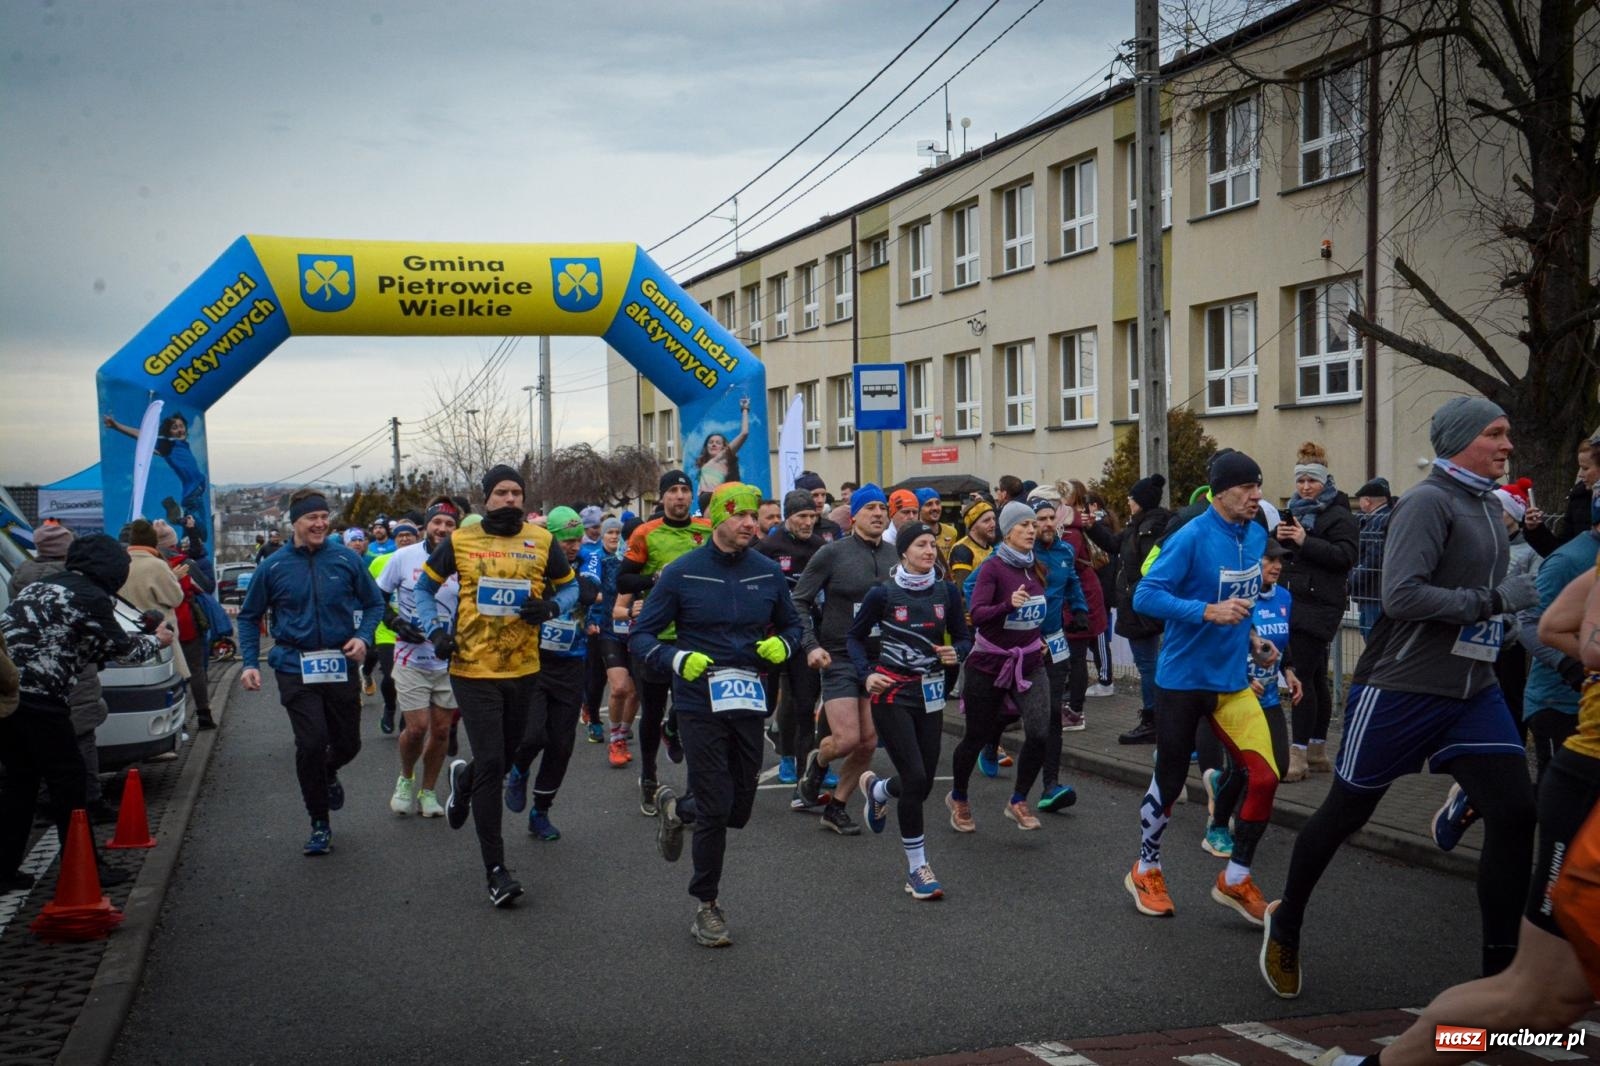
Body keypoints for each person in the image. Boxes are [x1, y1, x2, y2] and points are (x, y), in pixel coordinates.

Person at [1260, 397, 1539, 998]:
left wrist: (1509, 623)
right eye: (1495, 434)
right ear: (1463, 439)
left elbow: (1489, 595)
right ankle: (1286, 922)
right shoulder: (1426, 503)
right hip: (1402, 688)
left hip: (1473, 687)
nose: (1506, 445)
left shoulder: (1488, 506)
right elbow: (1405, 596)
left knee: (1517, 812)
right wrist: (1495, 603)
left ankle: (1500, 981)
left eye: (1507, 433)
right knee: (1345, 814)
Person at [1312, 550, 1600, 1066]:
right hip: (1588, 783)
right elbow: (1572, 633)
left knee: (1553, 1009)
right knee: (1541, 1003)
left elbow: (1554, 623)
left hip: (1539, 750)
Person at [635, 483, 802, 947]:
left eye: (755, 516)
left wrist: (783, 645)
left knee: (738, 805)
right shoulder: (682, 573)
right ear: (716, 518)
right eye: (741, 516)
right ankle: (706, 905)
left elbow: (792, 623)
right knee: (714, 802)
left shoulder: (766, 572)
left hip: (749, 696)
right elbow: (642, 636)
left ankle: (676, 807)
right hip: (698, 698)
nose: (752, 524)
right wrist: (674, 660)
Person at [1127, 450, 1280, 925]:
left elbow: (1245, 598)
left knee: (1265, 776)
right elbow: (1145, 595)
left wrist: (1253, 640)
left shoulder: (1256, 535)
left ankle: (1234, 879)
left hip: (1232, 681)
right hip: (1183, 681)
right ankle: (1145, 868)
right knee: (1171, 783)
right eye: (1246, 488)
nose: (1256, 496)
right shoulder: (1190, 535)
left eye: (1258, 486)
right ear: (1220, 492)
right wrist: (1206, 612)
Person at [415, 465, 575, 907]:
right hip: (471, 668)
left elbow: (571, 589)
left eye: (516, 493)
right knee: (491, 762)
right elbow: (423, 591)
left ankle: (462, 779)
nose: (510, 499)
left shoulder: (542, 541)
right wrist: (435, 631)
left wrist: (550, 606)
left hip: (524, 668)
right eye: (501, 492)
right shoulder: (461, 541)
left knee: (502, 761)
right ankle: (496, 870)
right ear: (487, 498)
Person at [1, 534, 172, 889]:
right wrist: (158, 638)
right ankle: (85, 868)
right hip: (41, 700)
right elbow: (124, 650)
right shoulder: (90, 596)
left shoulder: (42, 586)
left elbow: (79, 644)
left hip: (8, 697)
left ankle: (5, 871)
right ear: (111, 569)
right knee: (70, 783)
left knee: (21, 784)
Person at [237, 489, 384, 857]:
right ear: (295, 523)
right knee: (312, 743)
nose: (320, 524)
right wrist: (250, 663)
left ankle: (329, 772)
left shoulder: (346, 560)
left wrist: (363, 638)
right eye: (311, 518)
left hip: (339, 662)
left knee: (348, 744)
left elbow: (374, 603)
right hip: (293, 664)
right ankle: (319, 822)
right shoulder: (273, 566)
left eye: (324, 517)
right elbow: (249, 616)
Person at [850, 522, 970, 898]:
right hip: (891, 693)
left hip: (931, 693)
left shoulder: (946, 592)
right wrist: (866, 675)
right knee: (916, 777)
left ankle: (879, 789)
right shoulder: (882, 594)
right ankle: (918, 869)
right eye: (921, 545)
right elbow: (853, 638)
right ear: (903, 552)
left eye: (933, 544)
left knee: (923, 780)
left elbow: (964, 636)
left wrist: (958, 652)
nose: (930, 551)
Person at [946, 502, 1058, 832]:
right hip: (990, 663)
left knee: (1039, 732)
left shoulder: (1036, 568)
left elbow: (1036, 612)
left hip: (1029, 663)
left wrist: (1041, 637)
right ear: (1008, 532)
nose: (1030, 530)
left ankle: (1019, 800)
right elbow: (977, 614)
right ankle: (959, 797)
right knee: (977, 736)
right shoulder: (993, 569)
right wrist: (1008, 605)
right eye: (1023, 525)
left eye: (1032, 525)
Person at [793, 485, 898, 834]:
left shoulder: (896, 556)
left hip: (878, 660)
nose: (879, 513)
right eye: (870, 507)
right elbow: (799, 601)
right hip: (837, 656)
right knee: (848, 739)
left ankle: (836, 806)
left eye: (883, 507)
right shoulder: (832, 553)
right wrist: (810, 645)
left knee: (869, 742)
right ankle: (819, 760)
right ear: (853, 515)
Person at [615, 470, 712, 816]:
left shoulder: (707, 531)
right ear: (662, 498)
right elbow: (622, 577)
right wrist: (655, 577)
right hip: (656, 637)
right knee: (651, 710)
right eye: (673, 491)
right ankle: (649, 777)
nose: (680, 497)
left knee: (693, 711)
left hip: (696, 636)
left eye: (685, 490)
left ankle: (686, 769)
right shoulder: (645, 533)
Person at [504, 506, 602, 841]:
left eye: (576, 540)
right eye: (565, 541)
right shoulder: (532, 560)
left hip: (572, 663)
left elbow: (589, 592)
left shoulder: (589, 558)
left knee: (561, 743)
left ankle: (540, 812)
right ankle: (518, 770)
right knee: (533, 735)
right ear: (550, 538)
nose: (572, 546)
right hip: (533, 661)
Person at [8, 523, 117, 823]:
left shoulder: (22, 575)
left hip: (23, 677)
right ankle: (88, 802)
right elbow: (100, 636)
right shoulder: (78, 582)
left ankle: (44, 803)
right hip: (68, 673)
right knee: (79, 739)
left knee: (33, 754)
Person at [1203, 539, 1300, 857]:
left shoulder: (1284, 596)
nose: (1277, 565)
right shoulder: (1237, 600)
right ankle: (1217, 827)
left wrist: (1289, 670)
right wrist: (1244, 679)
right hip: (1236, 696)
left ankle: (1221, 784)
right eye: (1269, 559)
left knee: (1279, 768)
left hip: (1270, 697)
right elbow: (1219, 645)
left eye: (1280, 560)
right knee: (1244, 769)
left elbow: (1282, 641)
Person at [1275, 443, 1358, 781]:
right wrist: (1278, 537)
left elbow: (1346, 556)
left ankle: (1297, 757)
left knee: (1300, 678)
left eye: (1312, 481)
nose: (1306, 487)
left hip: (1320, 606)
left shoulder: (1339, 514)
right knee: (1315, 680)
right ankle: (1317, 751)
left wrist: (1305, 540)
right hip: (1296, 602)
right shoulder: (1293, 511)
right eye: (1301, 481)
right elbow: (1281, 554)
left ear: (1325, 480)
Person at [376, 500, 460, 818]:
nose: (442, 529)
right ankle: (406, 778)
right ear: (426, 526)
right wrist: (395, 622)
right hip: (411, 657)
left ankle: (428, 792)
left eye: (449, 524)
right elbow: (376, 600)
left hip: (448, 662)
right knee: (417, 728)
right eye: (437, 522)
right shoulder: (403, 557)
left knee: (440, 731)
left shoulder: (463, 560)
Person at [1514, 490, 1599, 777]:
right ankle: (1475, 799)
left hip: (1591, 703)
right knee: (1558, 797)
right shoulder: (1568, 560)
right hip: (1558, 703)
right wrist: (1568, 664)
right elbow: (1528, 623)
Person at [1014, 498, 1087, 809]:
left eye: (1048, 518)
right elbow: (975, 589)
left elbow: (1072, 582)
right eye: (1037, 519)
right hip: (1018, 647)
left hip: (1055, 641)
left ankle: (1050, 785)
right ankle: (988, 747)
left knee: (1052, 713)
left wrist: (1080, 608)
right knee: (1001, 714)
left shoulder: (1064, 551)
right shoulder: (1017, 555)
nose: (1044, 524)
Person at [754, 489, 826, 793]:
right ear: (788, 517)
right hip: (770, 637)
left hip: (804, 636)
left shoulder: (821, 547)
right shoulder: (768, 547)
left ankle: (802, 776)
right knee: (765, 704)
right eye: (801, 516)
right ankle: (770, 752)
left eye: (812, 516)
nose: (808, 522)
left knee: (804, 704)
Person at [1114, 474, 1170, 744]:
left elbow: (1151, 569)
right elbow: (1115, 545)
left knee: (1148, 665)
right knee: (1150, 664)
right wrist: (1090, 527)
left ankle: (1154, 720)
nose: (1128, 501)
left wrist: (1136, 592)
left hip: (1142, 608)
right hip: (1139, 605)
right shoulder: (1138, 525)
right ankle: (1159, 718)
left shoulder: (1149, 528)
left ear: (1142, 502)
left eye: (1132, 498)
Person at [103, 412, 208, 540]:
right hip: (193, 496)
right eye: (175, 428)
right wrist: (116, 426)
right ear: (168, 432)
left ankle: (176, 536)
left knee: (192, 538)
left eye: (181, 426)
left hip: (196, 495)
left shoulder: (182, 444)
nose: (180, 430)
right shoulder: (169, 445)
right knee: (200, 532)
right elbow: (143, 436)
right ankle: (178, 519)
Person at [1057, 488, 1111, 731]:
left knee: (1077, 656)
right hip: (1080, 596)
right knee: (1074, 655)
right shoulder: (1072, 526)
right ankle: (1071, 706)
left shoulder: (1070, 531)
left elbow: (1063, 566)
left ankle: (1076, 711)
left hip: (1080, 599)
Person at [157, 518, 217, 731]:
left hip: (160, 627)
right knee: (196, 670)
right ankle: (204, 714)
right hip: (188, 621)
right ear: (173, 541)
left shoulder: (154, 565)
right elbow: (208, 586)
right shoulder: (186, 563)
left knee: (170, 674)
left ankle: (177, 722)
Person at [590, 516, 638, 767]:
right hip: (610, 631)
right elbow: (588, 587)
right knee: (619, 688)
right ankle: (614, 740)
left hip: (639, 633)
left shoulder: (645, 564)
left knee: (635, 692)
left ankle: (621, 733)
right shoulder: (605, 561)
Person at [365, 522, 415, 734]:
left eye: (409, 535)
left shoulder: (425, 561)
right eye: (400, 535)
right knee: (390, 675)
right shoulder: (380, 562)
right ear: (394, 539)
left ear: (417, 537)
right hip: (387, 629)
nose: (404, 538)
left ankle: (407, 714)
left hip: (414, 629)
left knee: (412, 678)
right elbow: (370, 591)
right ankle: (390, 707)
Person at [1350, 477, 1394, 637]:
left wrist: (1352, 579)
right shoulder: (1386, 517)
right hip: (1377, 591)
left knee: (1373, 637)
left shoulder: (1377, 521)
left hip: (1373, 591)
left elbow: (1373, 558)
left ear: (1367, 501)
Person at [692, 396, 750, 513]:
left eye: (718, 443)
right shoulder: (705, 464)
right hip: (704, 501)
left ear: (724, 447)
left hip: (716, 498)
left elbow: (744, 433)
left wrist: (745, 410)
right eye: (711, 442)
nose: (713, 445)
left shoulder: (722, 458)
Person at [948, 499, 996, 587]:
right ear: (972, 526)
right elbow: (964, 589)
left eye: (993, 519)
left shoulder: (991, 549)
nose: (993, 524)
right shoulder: (961, 550)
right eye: (986, 521)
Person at [794, 472, 843, 541]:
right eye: (815, 495)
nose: (820, 500)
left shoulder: (833, 527)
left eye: (823, 495)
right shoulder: (791, 529)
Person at [916, 488, 957, 566]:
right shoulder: (913, 534)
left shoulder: (951, 532)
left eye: (938, 503)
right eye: (929, 504)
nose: (935, 508)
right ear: (919, 509)